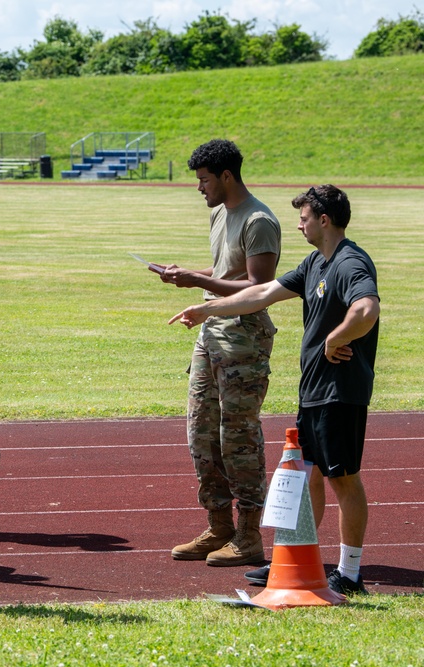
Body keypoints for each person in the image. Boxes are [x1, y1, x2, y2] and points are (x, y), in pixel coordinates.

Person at [170, 185, 379, 595]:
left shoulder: (351, 262)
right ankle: (296, 560)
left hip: (341, 390)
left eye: (304, 218)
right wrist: (207, 307)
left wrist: (335, 339)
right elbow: (262, 292)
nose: (298, 224)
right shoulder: (315, 263)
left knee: (344, 479)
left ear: (324, 219)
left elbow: (366, 309)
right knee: (312, 477)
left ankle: (351, 573)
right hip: (315, 388)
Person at [162, 139, 281, 567]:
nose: (200, 188)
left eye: (204, 179)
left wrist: (199, 284)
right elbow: (226, 270)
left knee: (238, 437)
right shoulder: (220, 213)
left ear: (226, 176)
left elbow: (259, 287)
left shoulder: (259, 220)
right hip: (212, 335)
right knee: (201, 432)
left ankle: (249, 535)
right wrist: (190, 274)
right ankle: (219, 526)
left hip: (244, 340)